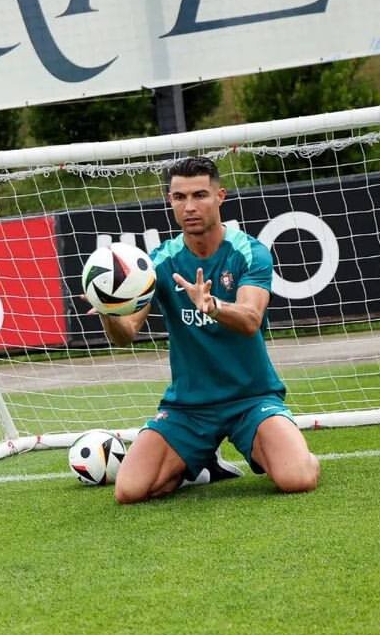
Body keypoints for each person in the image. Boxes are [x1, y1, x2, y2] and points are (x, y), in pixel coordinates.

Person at [99, 155, 320, 504]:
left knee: (297, 478)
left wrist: (213, 306)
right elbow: (126, 333)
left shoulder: (249, 252)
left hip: (252, 399)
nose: (189, 206)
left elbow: (250, 320)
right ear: (169, 201)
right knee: (130, 491)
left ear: (220, 196)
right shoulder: (159, 262)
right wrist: (107, 310)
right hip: (188, 407)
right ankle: (202, 465)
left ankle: (284, 450)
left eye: (200, 195)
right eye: (179, 197)